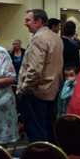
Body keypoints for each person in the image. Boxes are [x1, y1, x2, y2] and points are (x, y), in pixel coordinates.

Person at [17, 9, 64, 143]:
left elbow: (34, 70)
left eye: (28, 20)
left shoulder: (38, 39)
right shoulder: (55, 36)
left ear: (38, 22)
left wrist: (25, 89)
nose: (25, 23)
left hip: (36, 92)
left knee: (36, 133)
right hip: (51, 91)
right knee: (49, 130)